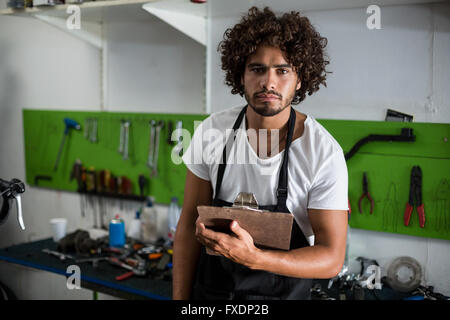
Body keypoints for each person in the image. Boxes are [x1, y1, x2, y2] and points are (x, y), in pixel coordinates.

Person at [173, 7, 348, 300]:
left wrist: (255, 258)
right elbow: (188, 226)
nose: (269, 82)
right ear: (240, 75)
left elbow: (331, 258)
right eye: (257, 69)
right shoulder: (211, 131)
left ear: (300, 78)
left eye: (283, 70)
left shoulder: (322, 152)